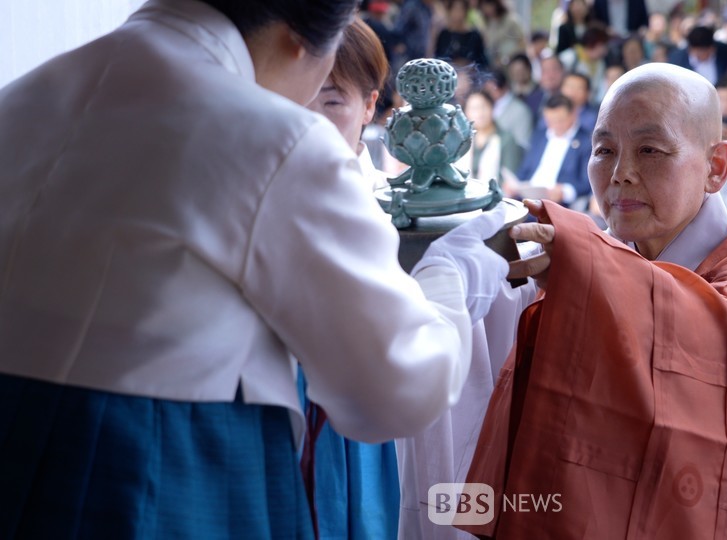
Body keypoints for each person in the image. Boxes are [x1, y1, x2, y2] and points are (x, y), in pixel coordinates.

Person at [0, 0, 510, 537]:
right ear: (301, 40)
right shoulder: (277, 139)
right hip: (160, 471)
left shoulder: (22, 97)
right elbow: (398, 387)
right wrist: (451, 275)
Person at [459, 63, 727, 538]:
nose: (621, 174)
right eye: (604, 150)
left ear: (715, 167)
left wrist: (598, 279)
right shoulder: (596, 265)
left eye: (650, 150)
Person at [303, 18, 399, 539]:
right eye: (302, 99)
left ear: (370, 105)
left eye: (332, 101)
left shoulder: (401, 208)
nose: (312, 120)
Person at [505, 94, 592, 207]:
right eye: (550, 121)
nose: (555, 125)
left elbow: (587, 182)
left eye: (560, 120)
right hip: (527, 196)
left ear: (573, 114)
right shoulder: (540, 135)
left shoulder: (586, 142)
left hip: (556, 203)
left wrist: (565, 191)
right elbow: (525, 169)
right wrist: (514, 185)